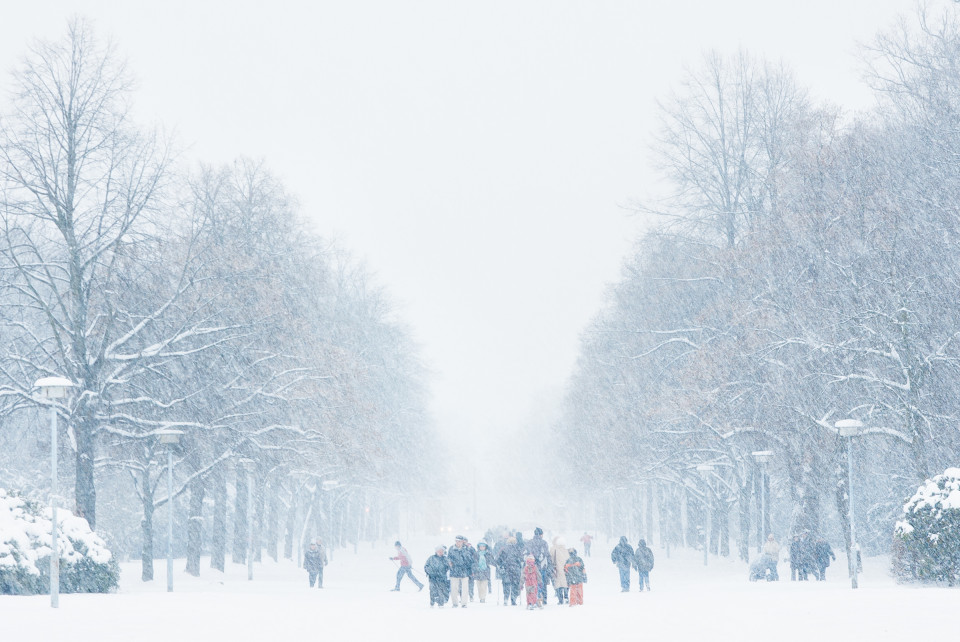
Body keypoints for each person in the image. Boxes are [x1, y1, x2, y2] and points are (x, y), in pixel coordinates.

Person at [524, 527, 552, 605]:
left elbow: (525, 553)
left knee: (532, 584)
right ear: (541, 534)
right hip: (541, 567)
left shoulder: (529, 542)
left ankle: (532, 599)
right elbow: (546, 554)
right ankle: (542, 599)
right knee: (541, 583)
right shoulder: (544, 543)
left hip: (531, 567)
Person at [448, 535, 474, 608]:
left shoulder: (467, 549)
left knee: (465, 589)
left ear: (463, 541)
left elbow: (470, 560)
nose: (458, 543)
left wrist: (470, 569)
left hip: (464, 571)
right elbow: (448, 558)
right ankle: (455, 603)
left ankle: (464, 603)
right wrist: (449, 562)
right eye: (456, 541)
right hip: (454, 571)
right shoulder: (451, 549)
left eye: (459, 541)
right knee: (453, 588)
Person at [496, 535, 523, 606]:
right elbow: (521, 559)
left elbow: (498, 560)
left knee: (506, 584)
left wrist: (501, 566)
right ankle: (513, 599)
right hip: (515, 570)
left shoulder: (503, 549)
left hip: (506, 569)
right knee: (515, 584)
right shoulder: (518, 549)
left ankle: (505, 598)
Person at [549, 536, 569, 604]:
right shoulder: (566, 550)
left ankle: (560, 599)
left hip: (557, 569)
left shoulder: (553, 549)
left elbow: (551, 558)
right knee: (565, 583)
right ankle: (566, 597)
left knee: (558, 584)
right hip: (566, 569)